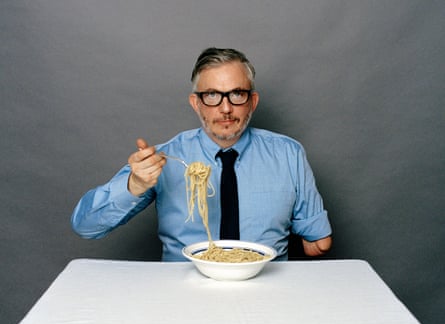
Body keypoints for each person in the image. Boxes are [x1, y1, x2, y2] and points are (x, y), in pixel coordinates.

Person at [71, 47, 332, 261]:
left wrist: (315, 238)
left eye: (237, 94)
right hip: (183, 293)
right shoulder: (166, 157)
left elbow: (318, 243)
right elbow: (86, 226)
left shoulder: (288, 154)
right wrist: (134, 185)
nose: (226, 108)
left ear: (252, 101)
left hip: (265, 291)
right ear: (196, 103)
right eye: (212, 95)